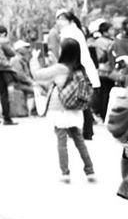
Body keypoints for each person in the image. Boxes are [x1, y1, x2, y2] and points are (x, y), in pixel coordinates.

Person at [30, 38, 96, 183]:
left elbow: (38, 75)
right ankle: (90, 171)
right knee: (79, 140)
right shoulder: (79, 68)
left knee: (61, 141)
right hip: (75, 109)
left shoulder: (59, 68)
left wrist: (34, 59)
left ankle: (65, 173)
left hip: (59, 109)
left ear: (64, 51)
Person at [54, 9, 100, 139]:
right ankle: (85, 131)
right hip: (78, 68)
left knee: (80, 98)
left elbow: (70, 52)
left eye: (62, 19)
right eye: (58, 19)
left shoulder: (70, 32)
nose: (59, 22)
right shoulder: (72, 31)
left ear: (70, 20)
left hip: (77, 69)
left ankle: (84, 131)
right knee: (81, 98)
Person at [90, 20, 114, 120]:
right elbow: (105, 58)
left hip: (99, 71)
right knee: (106, 93)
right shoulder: (107, 42)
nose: (113, 31)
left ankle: (100, 112)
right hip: (107, 71)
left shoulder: (96, 42)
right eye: (111, 29)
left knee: (101, 93)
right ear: (104, 31)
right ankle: (104, 114)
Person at [10, 40, 36, 116]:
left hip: (22, 83)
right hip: (18, 84)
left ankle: (34, 110)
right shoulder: (16, 60)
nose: (28, 49)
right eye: (25, 47)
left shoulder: (22, 59)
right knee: (37, 91)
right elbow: (19, 74)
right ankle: (35, 111)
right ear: (19, 49)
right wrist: (31, 82)